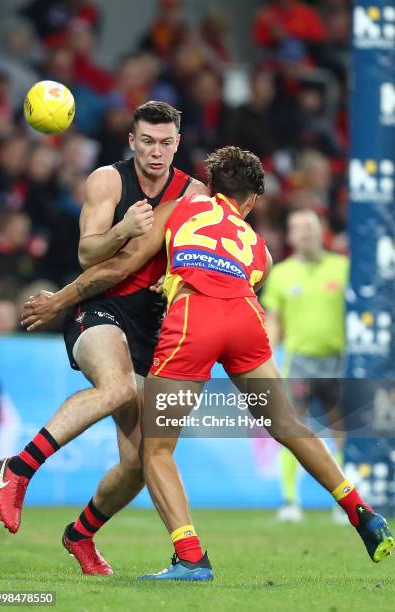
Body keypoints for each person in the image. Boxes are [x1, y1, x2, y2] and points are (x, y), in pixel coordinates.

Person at [21, 146, 393, 581]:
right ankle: (362, 512)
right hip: (245, 320)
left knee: (154, 449)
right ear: (251, 201)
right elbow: (247, 276)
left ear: (211, 186)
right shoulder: (259, 246)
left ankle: (191, 557)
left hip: (195, 317)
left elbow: (123, 264)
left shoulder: (184, 205)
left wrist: (63, 300)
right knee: (291, 426)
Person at [0, 101, 208, 576]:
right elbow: (89, 253)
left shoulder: (195, 193)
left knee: (140, 461)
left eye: (165, 142)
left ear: (178, 143)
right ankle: (18, 469)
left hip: (154, 324)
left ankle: (81, 534)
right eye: (147, 141)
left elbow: (197, 257)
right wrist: (124, 230)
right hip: (101, 305)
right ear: (132, 141)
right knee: (117, 388)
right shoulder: (107, 180)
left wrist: (175, 276)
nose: (156, 151)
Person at [261, 210, 348, 522]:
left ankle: (344, 502)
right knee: (291, 428)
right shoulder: (282, 274)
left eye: (310, 227)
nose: (305, 233)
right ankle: (290, 501)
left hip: (337, 360)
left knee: (342, 431)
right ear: (290, 237)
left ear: (320, 231)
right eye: (298, 228)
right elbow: (274, 321)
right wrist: (267, 356)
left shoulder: (343, 268)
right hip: (298, 361)